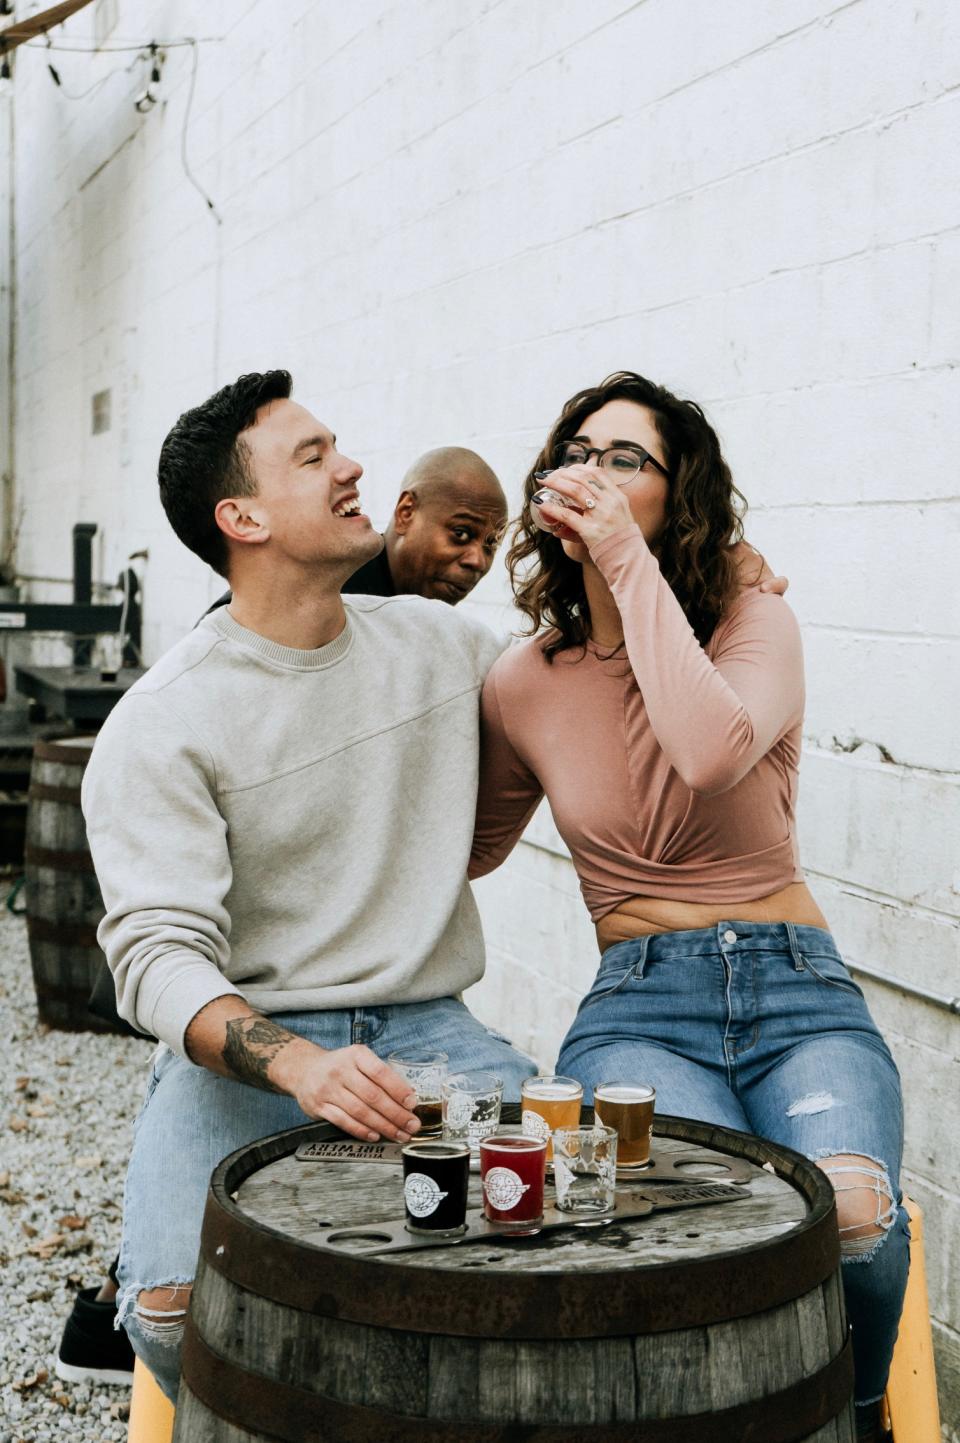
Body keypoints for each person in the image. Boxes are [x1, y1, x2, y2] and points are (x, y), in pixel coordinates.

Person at [78, 370, 535, 1403]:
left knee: (574, 1242)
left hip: (433, 1025)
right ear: (240, 516)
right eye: (314, 454)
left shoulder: (446, 647)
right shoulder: (165, 721)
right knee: (173, 1311)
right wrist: (298, 1067)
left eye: (340, 446)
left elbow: (591, 684)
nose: (355, 465)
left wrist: (723, 584)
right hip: (255, 1038)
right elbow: (155, 958)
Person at [470, 371, 907, 1443]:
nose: (598, 472)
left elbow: (709, 753)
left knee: (852, 1218)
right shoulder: (522, 681)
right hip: (640, 1003)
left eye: (630, 460)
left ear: (681, 498)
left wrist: (626, 560)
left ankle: (854, 1417)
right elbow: (468, 850)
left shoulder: (755, 621)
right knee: (701, 1238)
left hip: (795, 983)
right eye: (579, 451)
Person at [204, 444, 507, 612]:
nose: (477, 561)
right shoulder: (328, 588)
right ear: (406, 513)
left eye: (490, 545)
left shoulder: (433, 623)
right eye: (461, 534)